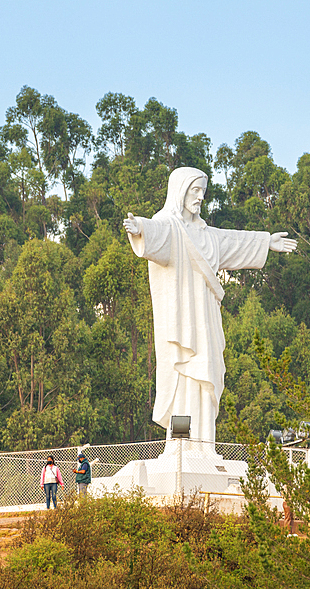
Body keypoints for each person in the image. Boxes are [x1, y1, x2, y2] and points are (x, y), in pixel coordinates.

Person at [123, 167, 296, 445]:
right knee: (185, 375)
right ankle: (180, 445)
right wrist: (140, 228)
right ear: (180, 191)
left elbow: (233, 240)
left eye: (203, 190)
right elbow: (156, 231)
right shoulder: (169, 225)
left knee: (207, 372)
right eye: (195, 190)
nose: (200, 196)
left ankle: (205, 445)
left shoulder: (206, 233)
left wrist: (266, 241)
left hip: (205, 317)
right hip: (181, 322)